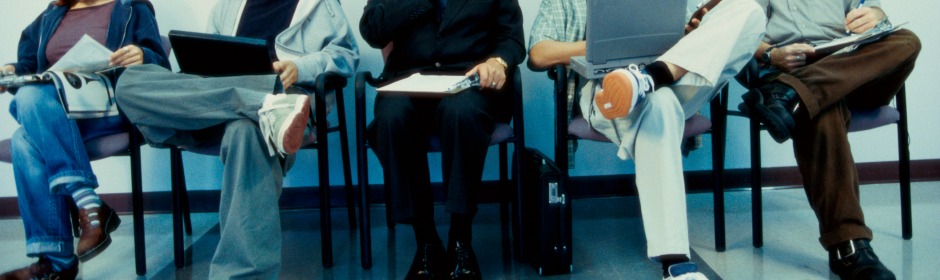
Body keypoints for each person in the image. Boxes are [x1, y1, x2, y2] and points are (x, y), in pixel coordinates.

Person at [113, 0, 358, 278]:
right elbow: (204, 67)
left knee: (246, 131)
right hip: (219, 104)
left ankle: (242, 274)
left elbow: (346, 54)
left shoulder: (318, 4)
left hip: (288, 99)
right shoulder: (227, 6)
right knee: (130, 81)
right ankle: (261, 100)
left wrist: (299, 67)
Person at [528, 0, 765, 279]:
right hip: (606, 90)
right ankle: (675, 264)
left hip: (676, 80)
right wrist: (603, 48)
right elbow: (538, 55)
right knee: (660, 104)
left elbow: (697, 35)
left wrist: (691, 37)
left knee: (749, 9)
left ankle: (650, 77)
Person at [739, 1, 920, 279]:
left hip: (851, 67)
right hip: (786, 68)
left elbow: (873, 13)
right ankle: (848, 248)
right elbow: (735, 36)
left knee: (906, 40)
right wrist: (771, 55)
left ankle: (792, 95)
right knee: (820, 108)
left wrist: (877, 16)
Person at [0, 0, 169, 279]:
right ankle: (76, 228)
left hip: (109, 109)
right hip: (58, 116)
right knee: (23, 139)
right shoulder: (50, 16)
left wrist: (142, 54)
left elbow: (160, 62)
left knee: (28, 105)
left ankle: (70, 237)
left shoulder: (131, 7)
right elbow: (27, 66)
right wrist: (9, 72)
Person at [359, 0, 524, 279]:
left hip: (469, 82)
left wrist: (498, 61)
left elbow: (512, 38)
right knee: (390, 119)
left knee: (461, 113)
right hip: (408, 81)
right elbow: (373, 30)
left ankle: (461, 239)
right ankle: (425, 239)